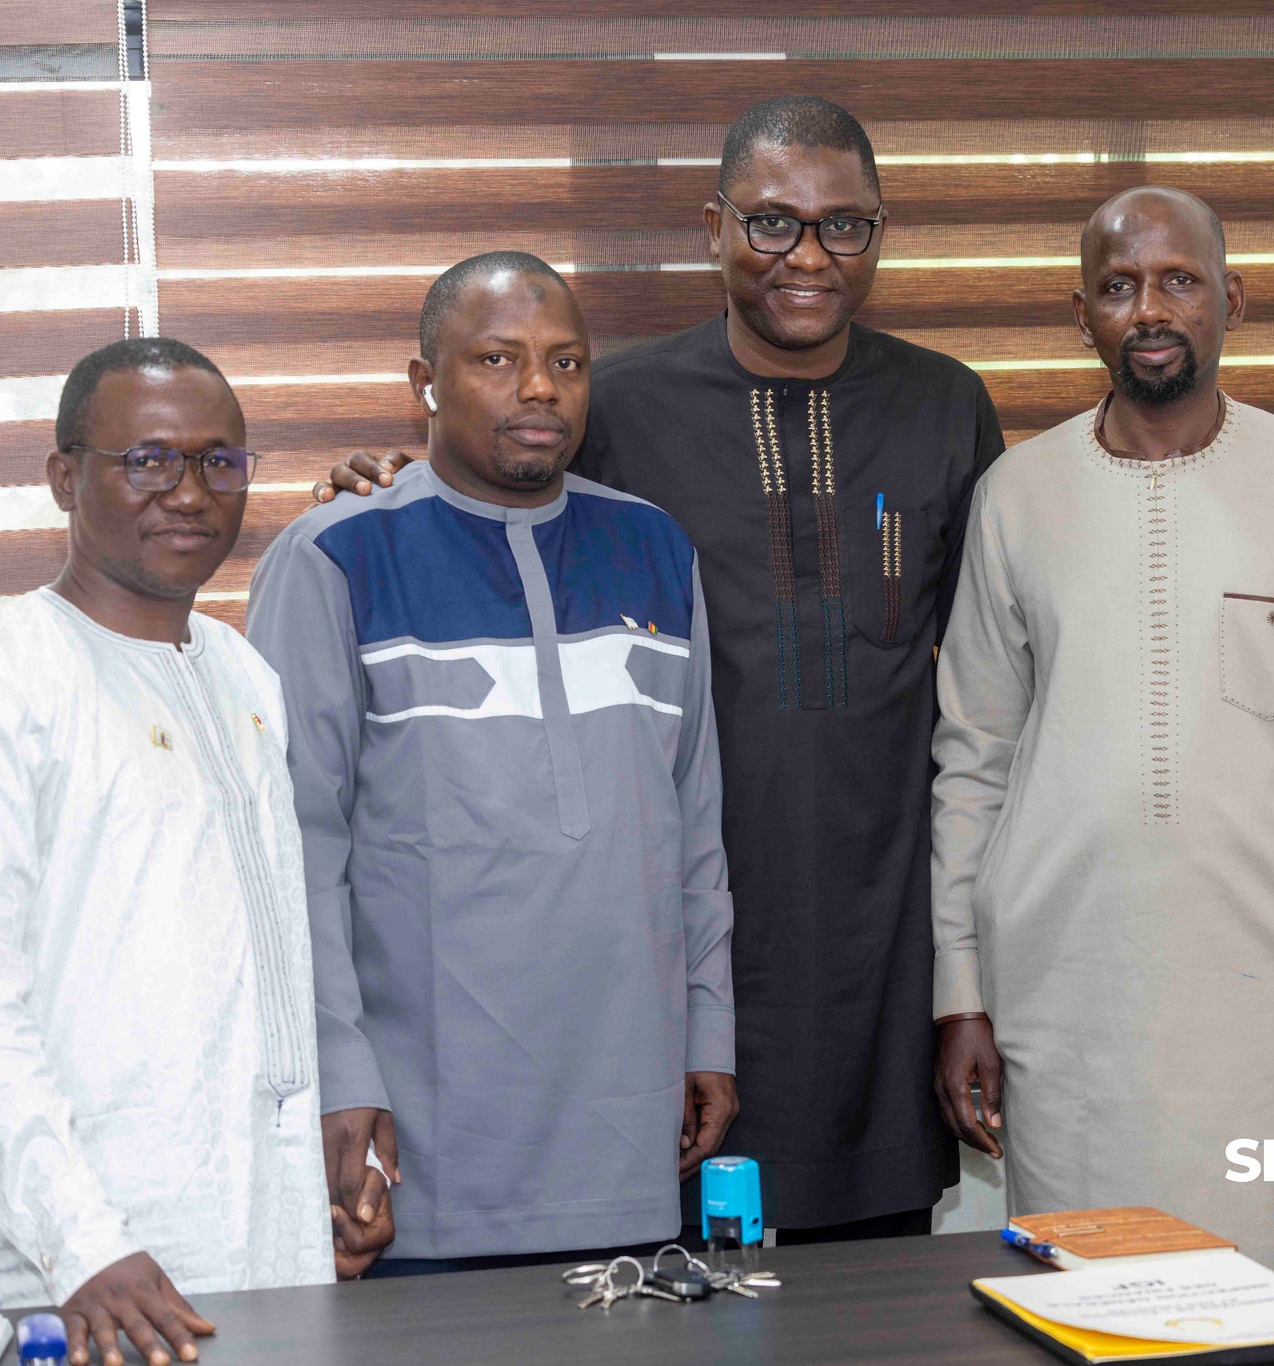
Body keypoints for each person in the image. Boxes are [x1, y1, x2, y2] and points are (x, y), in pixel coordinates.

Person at [321, 97, 1002, 1241]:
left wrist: (966, 982)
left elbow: (986, 693)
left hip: (880, 935)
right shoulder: (617, 405)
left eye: (843, 225)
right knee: (668, 1273)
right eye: (772, 221)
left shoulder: (944, 404)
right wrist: (395, 480)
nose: (807, 256)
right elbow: (496, 497)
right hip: (669, 940)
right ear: (713, 226)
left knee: (874, 1282)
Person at [928, 187, 1274, 1312]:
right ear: (1082, 316)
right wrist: (959, 995)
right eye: (1118, 286)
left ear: (1231, 301)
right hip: (1064, 1013)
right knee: (1093, 1309)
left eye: (1178, 281)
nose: (1148, 309)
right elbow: (972, 763)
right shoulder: (1014, 498)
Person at [248, 252, 735, 1276]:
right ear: (424, 381)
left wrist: (709, 1032)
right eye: (497, 358)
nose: (539, 388)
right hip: (423, 1133)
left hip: (629, 1119)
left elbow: (695, 827)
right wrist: (338, 1070)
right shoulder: (335, 556)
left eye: (566, 361)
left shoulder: (655, 549)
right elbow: (296, 855)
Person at [0, 339, 336, 1366]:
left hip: (261, 1231)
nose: (190, 491)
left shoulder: (244, 675)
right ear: (64, 477)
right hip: (76, 1270)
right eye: (148, 460)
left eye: (218, 461)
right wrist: (84, 1243)